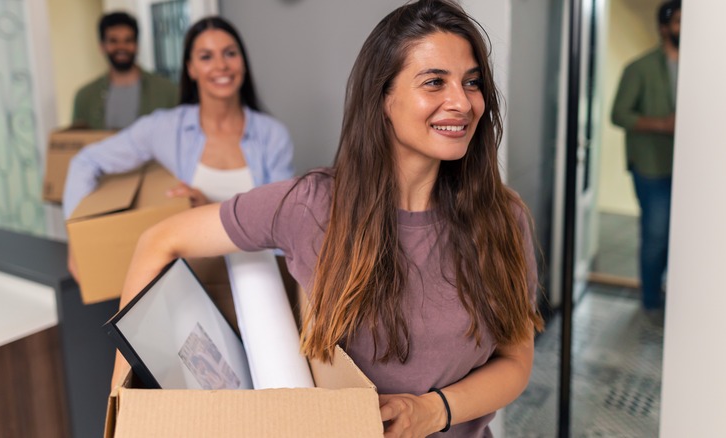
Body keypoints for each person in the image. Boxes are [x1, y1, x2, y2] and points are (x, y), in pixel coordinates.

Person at [113, 1, 543, 436]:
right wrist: (119, 408)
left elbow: (516, 360)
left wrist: (432, 410)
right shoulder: (312, 207)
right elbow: (157, 241)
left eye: (471, 82)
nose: (462, 102)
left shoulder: (503, 219)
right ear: (383, 99)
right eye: (434, 82)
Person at [63, 16, 294, 280]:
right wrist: (77, 236)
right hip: (192, 279)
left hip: (259, 277)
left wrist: (211, 211)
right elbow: (85, 161)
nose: (221, 65)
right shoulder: (165, 128)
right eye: (206, 57)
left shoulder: (273, 135)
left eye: (230, 53)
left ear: (243, 61)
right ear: (191, 68)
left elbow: (281, 226)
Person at [611, 0, 681, 311]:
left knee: (681, 238)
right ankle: (651, 302)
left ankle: (674, 295)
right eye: (679, 22)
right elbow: (619, 114)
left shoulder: (706, 65)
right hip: (652, 165)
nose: (686, 29)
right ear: (664, 27)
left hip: (692, 170)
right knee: (656, 236)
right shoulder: (640, 68)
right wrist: (662, 124)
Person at [72, 11, 178, 130]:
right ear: (102, 46)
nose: (121, 47)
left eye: (128, 40)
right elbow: (77, 143)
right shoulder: (85, 97)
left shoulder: (168, 91)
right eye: (113, 41)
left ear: (137, 45)